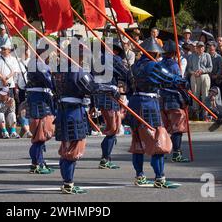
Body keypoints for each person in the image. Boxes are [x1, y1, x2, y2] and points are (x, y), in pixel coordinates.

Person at [52, 45, 119, 195]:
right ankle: (68, 183)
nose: (84, 59)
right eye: (82, 56)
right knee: (73, 149)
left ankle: (66, 182)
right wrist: (111, 89)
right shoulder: (77, 70)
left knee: (66, 148)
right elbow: (92, 88)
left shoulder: (58, 71)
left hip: (62, 111)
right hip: (74, 112)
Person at [128, 38, 185, 189]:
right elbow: (169, 78)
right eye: (157, 53)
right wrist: (180, 81)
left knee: (138, 142)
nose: (159, 56)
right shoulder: (153, 65)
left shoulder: (134, 66)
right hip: (149, 104)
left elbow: (128, 87)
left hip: (134, 103)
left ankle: (139, 175)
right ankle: (160, 177)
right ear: (154, 52)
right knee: (158, 140)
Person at [92, 41, 128, 170]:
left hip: (100, 95)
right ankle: (105, 158)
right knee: (112, 129)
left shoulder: (97, 60)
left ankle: (106, 157)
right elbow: (125, 74)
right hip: (110, 95)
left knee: (112, 129)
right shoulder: (113, 59)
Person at [25, 41, 56, 174]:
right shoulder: (39, 64)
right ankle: (37, 163)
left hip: (38, 99)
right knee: (40, 134)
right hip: (40, 101)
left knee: (40, 135)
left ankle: (38, 162)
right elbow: (50, 82)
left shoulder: (37, 62)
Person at [160, 41, 190, 163]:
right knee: (177, 127)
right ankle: (176, 153)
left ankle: (163, 150)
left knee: (164, 127)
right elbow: (179, 84)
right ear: (174, 53)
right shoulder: (174, 66)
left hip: (161, 99)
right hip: (173, 99)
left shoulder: (158, 64)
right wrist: (186, 97)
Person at [186, 41, 213, 120]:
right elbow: (189, 68)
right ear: (196, 48)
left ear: (204, 48)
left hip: (204, 75)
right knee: (195, 95)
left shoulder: (207, 55)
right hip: (194, 76)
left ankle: (205, 114)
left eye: (202, 47)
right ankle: (196, 114)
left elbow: (210, 68)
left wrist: (202, 71)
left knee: (205, 95)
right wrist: (193, 73)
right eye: (199, 47)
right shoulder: (191, 56)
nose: (200, 48)